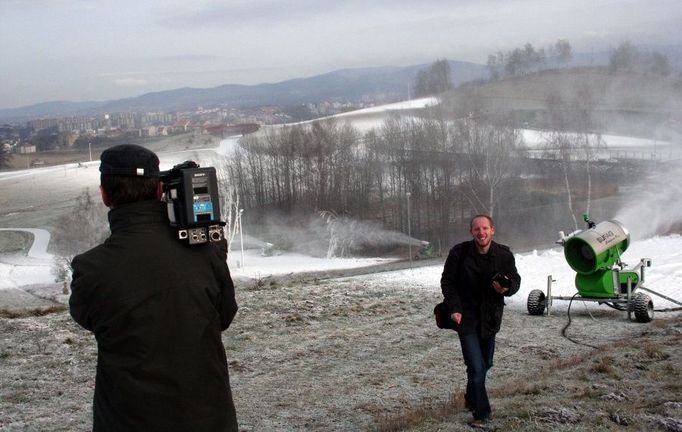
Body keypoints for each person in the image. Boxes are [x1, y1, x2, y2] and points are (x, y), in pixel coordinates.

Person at [69, 144, 239, 432]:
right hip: (207, 417)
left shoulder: (91, 268)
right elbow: (224, 316)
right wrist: (215, 251)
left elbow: (86, 318)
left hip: (128, 420)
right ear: (160, 190)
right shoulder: (204, 254)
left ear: (104, 195)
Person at [440, 214, 520, 426]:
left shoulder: (504, 255)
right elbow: (447, 282)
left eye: (485, 228)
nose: (481, 233)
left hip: (490, 318)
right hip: (465, 318)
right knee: (476, 367)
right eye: (477, 229)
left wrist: (507, 288)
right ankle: (481, 414)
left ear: (492, 230)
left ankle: (470, 397)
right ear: (471, 232)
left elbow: (515, 281)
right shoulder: (459, 253)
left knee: (486, 364)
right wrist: (454, 308)